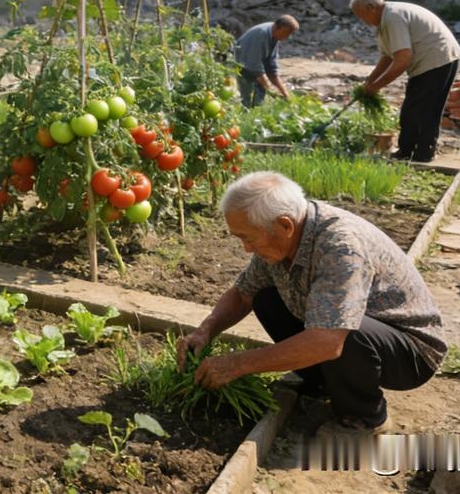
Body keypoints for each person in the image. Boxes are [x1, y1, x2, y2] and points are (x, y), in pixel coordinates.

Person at [176, 172, 444, 433]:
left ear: (285, 225)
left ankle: (366, 419)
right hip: (354, 334)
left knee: (345, 332)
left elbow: (329, 340)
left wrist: (237, 364)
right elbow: (242, 293)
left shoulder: (340, 246)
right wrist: (206, 330)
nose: (246, 248)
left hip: (409, 351)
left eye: (247, 237)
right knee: (266, 299)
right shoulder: (280, 238)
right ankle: (322, 384)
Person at [350, 0, 460, 163]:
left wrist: (376, 86)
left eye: (361, 15)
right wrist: (371, 80)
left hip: (437, 59)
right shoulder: (385, 20)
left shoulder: (392, 18)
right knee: (413, 109)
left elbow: (402, 59)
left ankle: (422, 154)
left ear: (371, 8)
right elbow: (387, 56)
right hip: (431, 60)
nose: (362, 20)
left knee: (425, 110)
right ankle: (407, 150)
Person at [234, 15, 298, 107]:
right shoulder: (262, 34)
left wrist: (284, 93)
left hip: (255, 66)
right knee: (247, 100)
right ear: (277, 27)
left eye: (289, 35)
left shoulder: (274, 36)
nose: (286, 37)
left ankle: (256, 113)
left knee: (260, 98)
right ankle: (246, 115)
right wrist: (269, 87)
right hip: (244, 66)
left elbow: (271, 66)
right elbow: (255, 65)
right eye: (286, 33)